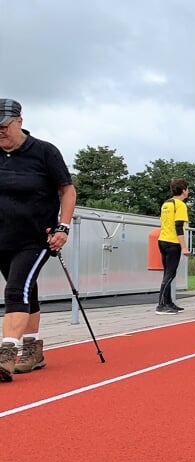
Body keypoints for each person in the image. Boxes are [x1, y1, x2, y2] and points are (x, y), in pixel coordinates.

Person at [0, 99, 77, 381]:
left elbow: (67, 191)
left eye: (3, 126)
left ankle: (7, 352)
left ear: (19, 121)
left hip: (35, 238)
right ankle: (33, 351)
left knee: (16, 288)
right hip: (2, 238)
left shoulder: (44, 152)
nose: (0, 133)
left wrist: (63, 227)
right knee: (25, 289)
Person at [155, 178, 191, 314]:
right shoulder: (180, 205)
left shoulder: (166, 204)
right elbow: (179, 227)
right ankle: (161, 305)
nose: (188, 191)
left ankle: (168, 302)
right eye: (187, 189)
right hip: (172, 242)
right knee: (170, 274)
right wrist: (184, 247)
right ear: (183, 190)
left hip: (162, 240)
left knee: (167, 273)